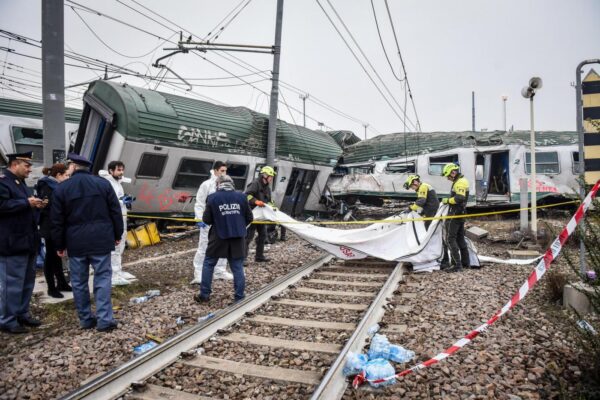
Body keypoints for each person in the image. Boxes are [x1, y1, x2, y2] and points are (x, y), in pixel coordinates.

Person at [51, 153, 123, 332]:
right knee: (103, 278)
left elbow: (57, 220)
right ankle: (105, 319)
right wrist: (117, 234)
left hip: (76, 243)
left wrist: (59, 245)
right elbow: (115, 211)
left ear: (73, 167)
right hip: (101, 239)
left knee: (79, 282)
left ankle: (85, 319)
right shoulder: (103, 184)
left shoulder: (62, 188)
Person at [0, 152, 45, 334]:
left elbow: (23, 206)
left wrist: (36, 205)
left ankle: (22, 313)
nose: (30, 169)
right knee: (12, 284)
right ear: (15, 164)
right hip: (12, 244)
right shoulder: (3, 182)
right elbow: (2, 206)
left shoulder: (21, 183)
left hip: (28, 242)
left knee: (27, 282)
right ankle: (7, 320)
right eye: (26, 165)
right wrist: (26, 203)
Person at [194, 175, 253, 304]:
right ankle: (239, 297)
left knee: (209, 263)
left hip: (218, 237)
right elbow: (250, 217)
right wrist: (238, 226)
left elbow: (206, 220)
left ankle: (204, 295)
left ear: (218, 184)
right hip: (238, 237)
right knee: (237, 267)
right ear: (232, 184)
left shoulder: (213, 197)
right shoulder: (241, 197)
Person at [191, 161, 233, 284]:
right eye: (222, 171)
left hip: (222, 221)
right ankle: (198, 273)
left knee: (223, 245)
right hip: (208, 222)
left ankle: (219, 271)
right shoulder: (206, 185)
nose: (224, 173)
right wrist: (199, 219)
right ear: (215, 171)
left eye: (225, 171)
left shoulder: (227, 184)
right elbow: (199, 203)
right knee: (204, 247)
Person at [36, 163, 72, 298]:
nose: (68, 178)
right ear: (58, 175)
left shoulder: (56, 186)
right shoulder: (48, 186)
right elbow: (49, 208)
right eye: (67, 175)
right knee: (51, 257)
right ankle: (51, 287)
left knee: (57, 256)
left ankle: (61, 283)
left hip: (56, 226)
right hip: (50, 226)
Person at [101, 161, 136, 286]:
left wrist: (126, 201)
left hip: (122, 219)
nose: (121, 173)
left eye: (122, 170)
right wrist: (121, 202)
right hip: (114, 220)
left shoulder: (118, 183)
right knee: (114, 249)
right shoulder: (107, 183)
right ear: (111, 170)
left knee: (120, 246)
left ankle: (118, 271)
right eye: (119, 170)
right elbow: (109, 203)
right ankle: (113, 275)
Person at [440, 163, 471, 273]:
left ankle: (456, 264)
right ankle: (466, 262)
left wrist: (447, 201)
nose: (447, 178)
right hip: (461, 213)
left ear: (453, 172)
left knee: (450, 239)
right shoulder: (461, 180)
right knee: (460, 238)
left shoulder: (460, 182)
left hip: (455, 213)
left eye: (448, 175)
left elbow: (459, 198)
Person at [244, 166, 276, 262]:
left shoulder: (267, 188)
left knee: (263, 235)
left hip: (262, 216)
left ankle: (259, 256)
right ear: (264, 175)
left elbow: (269, 201)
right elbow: (246, 195)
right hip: (253, 214)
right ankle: (243, 258)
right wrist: (255, 201)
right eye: (270, 176)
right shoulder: (255, 184)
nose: (271, 178)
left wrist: (273, 207)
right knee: (248, 237)